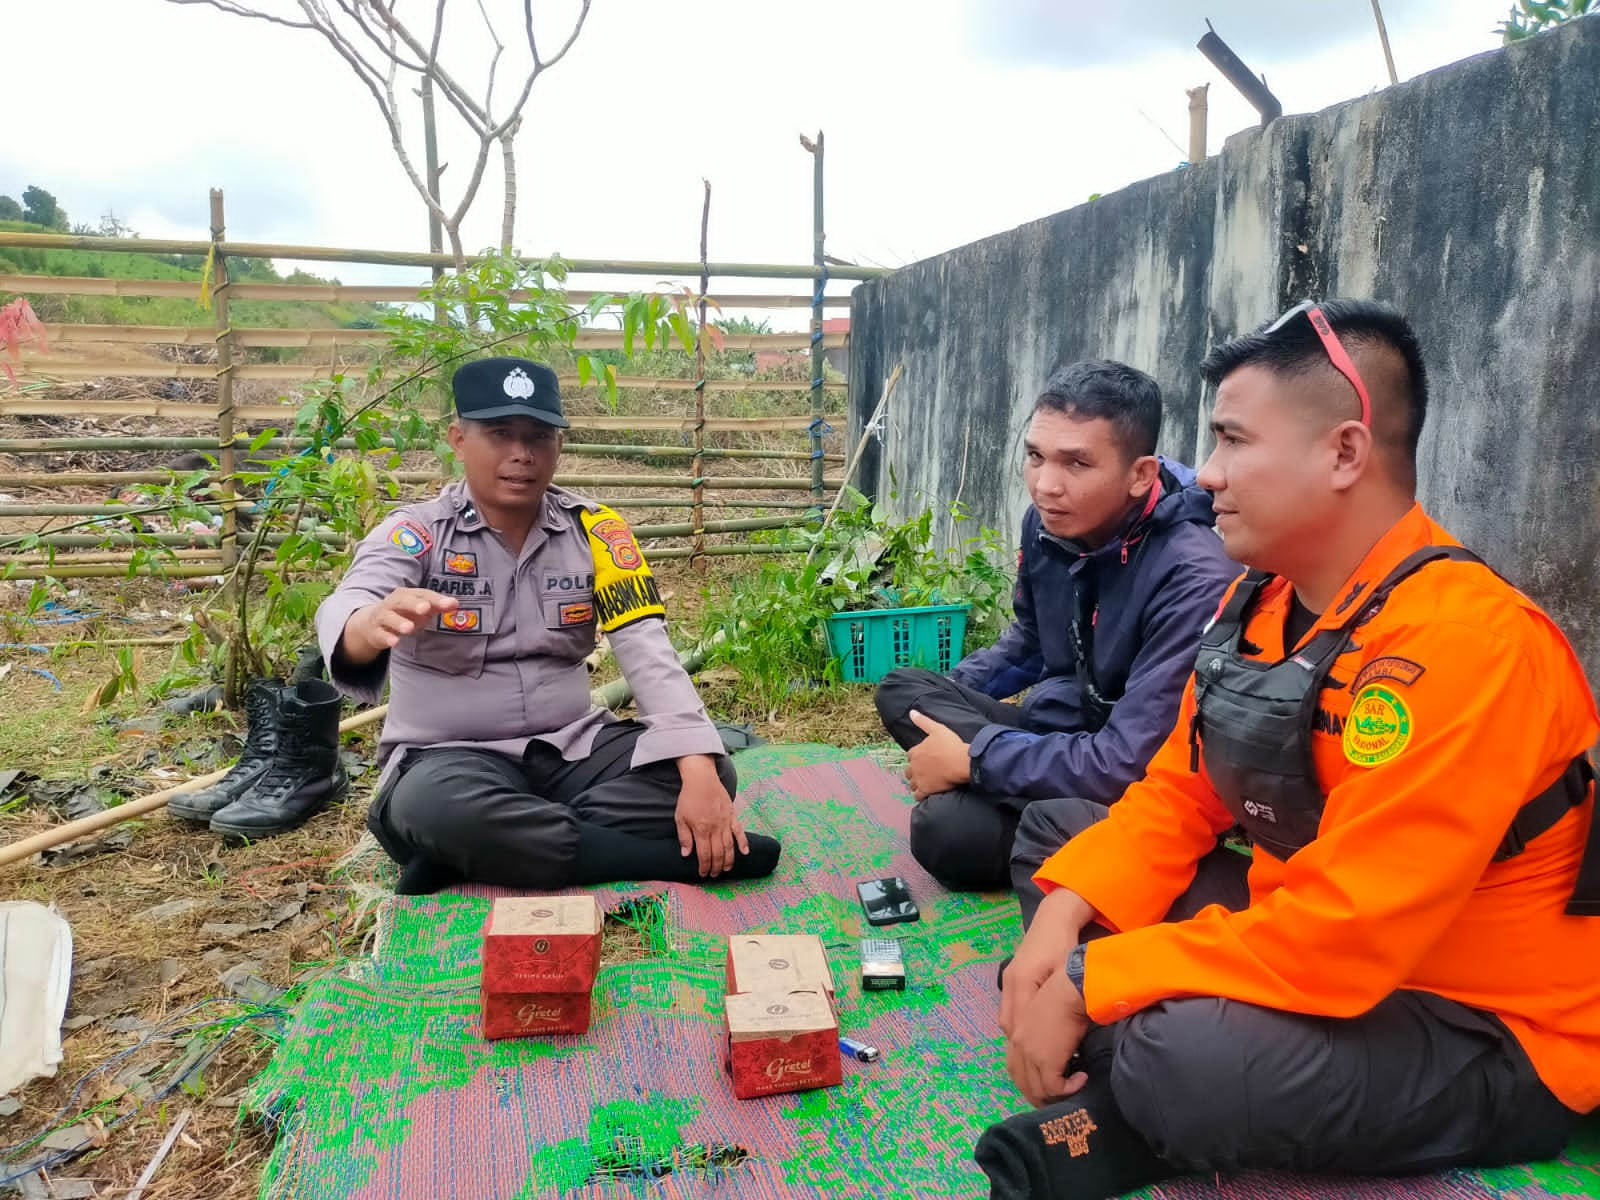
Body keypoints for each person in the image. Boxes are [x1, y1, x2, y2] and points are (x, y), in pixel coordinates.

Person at [982, 300, 1600, 1199]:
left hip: (1478, 1015)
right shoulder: (1259, 607)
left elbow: (1349, 929)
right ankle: (1163, 1052)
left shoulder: (1464, 642)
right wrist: (1065, 917)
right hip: (1310, 929)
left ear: (1345, 452)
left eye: (1233, 442)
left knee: (1178, 1058)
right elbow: (1177, 795)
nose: (1210, 477)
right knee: (1059, 840)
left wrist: (1091, 978)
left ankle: (1152, 1082)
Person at [313, 356, 781, 895]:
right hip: (450, 758)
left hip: (572, 749)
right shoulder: (418, 532)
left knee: (708, 771)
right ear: (459, 440)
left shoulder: (596, 532)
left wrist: (697, 765)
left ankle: (487, 852)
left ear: (560, 445)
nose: (522, 454)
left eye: (539, 436)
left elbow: (646, 648)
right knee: (434, 806)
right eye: (501, 434)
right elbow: (351, 598)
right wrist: (365, 623)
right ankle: (660, 858)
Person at [873, 360, 1237, 891]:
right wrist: (953, 697)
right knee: (904, 691)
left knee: (947, 833)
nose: (1046, 485)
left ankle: (1000, 794)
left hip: (1127, 779)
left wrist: (976, 758)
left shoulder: (1194, 576)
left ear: (1141, 476)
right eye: (1036, 456)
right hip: (1059, 732)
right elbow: (1029, 643)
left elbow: (1126, 762)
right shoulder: (1048, 524)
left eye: (1076, 464)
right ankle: (1007, 793)